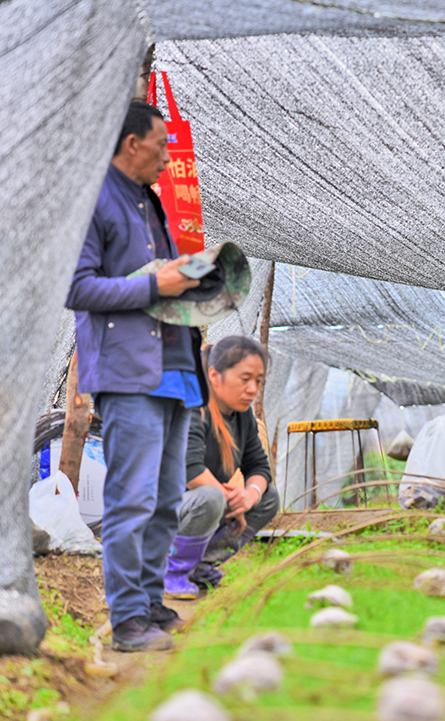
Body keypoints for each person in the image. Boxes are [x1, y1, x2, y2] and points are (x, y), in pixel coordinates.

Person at [66, 101, 203, 651]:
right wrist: (154, 288)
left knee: (168, 497)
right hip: (129, 374)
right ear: (131, 145)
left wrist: (196, 284)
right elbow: (77, 288)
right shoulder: (96, 198)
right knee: (132, 499)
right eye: (161, 146)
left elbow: (166, 280)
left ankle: (148, 603)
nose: (167, 158)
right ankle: (126, 622)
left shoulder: (149, 202)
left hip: (176, 370)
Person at [164, 335, 279, 600]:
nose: (253, 389)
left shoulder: (242, 416)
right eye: (245, 378)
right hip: (162, 513)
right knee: (210, 496)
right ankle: (172, 571)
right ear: (215, 376)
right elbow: (190, 471)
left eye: (258, 382)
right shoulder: (191, 407)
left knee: (267, 497)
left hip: (204, 506)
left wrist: (248, 497)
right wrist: (231, 502)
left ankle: (201, 566)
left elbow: (259, 467)